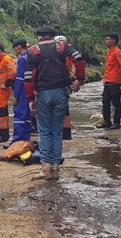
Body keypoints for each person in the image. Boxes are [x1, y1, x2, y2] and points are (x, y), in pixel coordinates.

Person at [24, 25, 86, 180]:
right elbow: (79, 59)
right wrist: (79, 79)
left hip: (43, 93)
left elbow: (27, 77)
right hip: (61, 93)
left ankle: (46, 169)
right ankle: (55, 169)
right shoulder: (62, 46)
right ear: (53, 36)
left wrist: (30, 98)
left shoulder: (32, 51)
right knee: (57, 131)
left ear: (39, 36)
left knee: (45, 131)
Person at [97, 33, 121, 129]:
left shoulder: (118, 52)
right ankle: (107, 122)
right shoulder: (109, 51)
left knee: (116, 102)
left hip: (115, 82)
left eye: (108, 39)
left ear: (113, 41)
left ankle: (117, 123)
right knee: (105, 101)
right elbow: (108, 68)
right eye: (106, 39)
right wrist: (104, 79)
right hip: (108, 81)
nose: (106, 41)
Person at [8, 38, 32, 147]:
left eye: (15, 49)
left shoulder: (22, 59)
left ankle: (17, 140)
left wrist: (15, 95)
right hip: (30, 89)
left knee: (19, 115)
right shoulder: (31, 57)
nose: (15, 51)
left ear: (19, 47)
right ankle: (26, 140)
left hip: (22, 90)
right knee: (27, 115)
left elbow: (19, 79)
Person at [0, 44, 16, 143]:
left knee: (0, 110)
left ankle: (4, 134)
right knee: (1, 110)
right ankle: (3, 132)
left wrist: (6, 84)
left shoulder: (6, 59)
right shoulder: (2, 60)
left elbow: (12, 72)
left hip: (2, 89)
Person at [55, 36, 74, 140]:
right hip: (65, 83)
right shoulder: (68, 52)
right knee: (65, 108)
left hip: (61, 83)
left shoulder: (62, 55)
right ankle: (66, 133)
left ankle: (63, 132)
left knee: (61, 109)